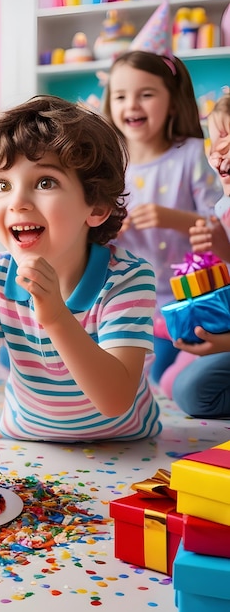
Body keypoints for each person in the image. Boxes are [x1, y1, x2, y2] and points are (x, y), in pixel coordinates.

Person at [0, 95, 161, 442]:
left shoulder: (127, 278)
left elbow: (115, 400)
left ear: (95, 207)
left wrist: (54, 315)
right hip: (24, 444)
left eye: (45, 182)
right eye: (2, 185)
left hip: (125, 447)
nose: (17, 202)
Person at [102, 50, 223, 386]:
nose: (132, 105)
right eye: (121, 96)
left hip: (182, 302)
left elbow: (220, 223)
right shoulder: (108, 165)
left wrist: (172, 218)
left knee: (157, 376)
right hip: (122, 301)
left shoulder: (192, 154)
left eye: (146, 94)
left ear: (172, 102)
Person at [159, 94, 230, 417]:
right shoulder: (223, 208)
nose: (218, 153)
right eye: (216, 140)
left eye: (229, 138)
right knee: (169, 381)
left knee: (192, 393)